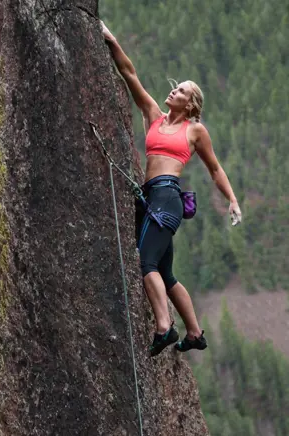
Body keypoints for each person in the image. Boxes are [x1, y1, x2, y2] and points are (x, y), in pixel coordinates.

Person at [101, 21, 243, 357]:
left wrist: (233, 200)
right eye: (175, 88)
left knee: (145, 262)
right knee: (165, 271)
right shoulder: (153, 115)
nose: (173, 92)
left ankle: (164, 327)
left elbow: (214, 168)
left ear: (191, 104)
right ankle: (194, 333)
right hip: (152, 196)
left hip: (167, 197)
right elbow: (129, 74)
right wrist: (111, 40)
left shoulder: (195, 130)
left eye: (180, 91)